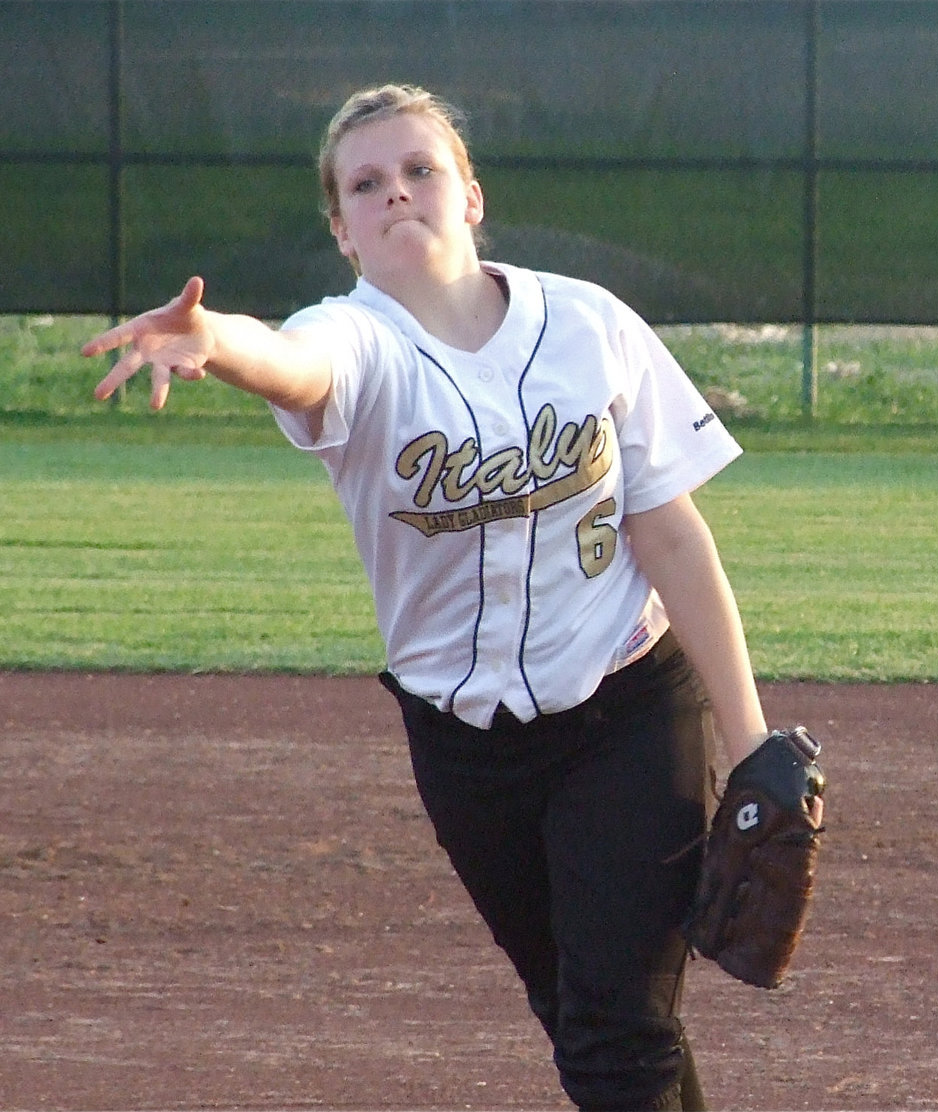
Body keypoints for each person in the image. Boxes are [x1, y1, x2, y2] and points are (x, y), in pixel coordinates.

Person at [82, 84, 823, 1112]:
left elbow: (669, 527)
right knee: (581, 1015)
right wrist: (221, 342)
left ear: (471, 196)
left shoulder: (589, 323)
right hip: (468, 750)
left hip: (632, 711)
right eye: (367, 184)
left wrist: (750, 741)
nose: (398, 194)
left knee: (621, 1027)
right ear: (342, 231)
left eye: (421, 170)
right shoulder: (357, 343)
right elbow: (294, 363)